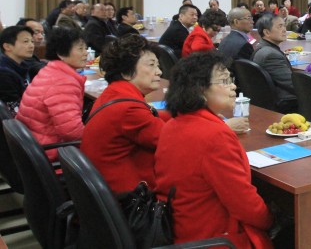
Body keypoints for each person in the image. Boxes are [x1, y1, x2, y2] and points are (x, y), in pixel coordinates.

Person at [155, 52, 273, 248]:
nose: (233, 86)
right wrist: (271, 219)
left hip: (182, 230)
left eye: (231, 79)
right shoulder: (214, 135)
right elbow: (244, 204)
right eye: (224, 81)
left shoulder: (172, 125)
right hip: (215, 237)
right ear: (201, 89)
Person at [81, 35, 169, 193]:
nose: (159, 72)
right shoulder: (129, 109)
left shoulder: (113, 94)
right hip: (132, 197)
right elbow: (172, 142)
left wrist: (179, 113)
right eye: (151, 65)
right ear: (126, 72)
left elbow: (151, 117)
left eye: (158, 65)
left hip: (106, 189)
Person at [16, 28, 88, 160]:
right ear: (61, 53)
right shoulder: (62, 83)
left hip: (35, 143)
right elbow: (72, 132)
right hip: (51, 152)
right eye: (80, 49)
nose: (86, 53)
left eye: (85, 48)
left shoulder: (50, 71)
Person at [253, 14, 298, 112]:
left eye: (284, 26)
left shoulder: (261, 48)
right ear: (267, 32)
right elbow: (293, 84)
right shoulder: (271, 55)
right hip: (286, 103)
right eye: (280, 26)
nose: (284, 30)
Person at [0, 26, 39, 115]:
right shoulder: (4, 74)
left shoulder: (23, 66)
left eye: (32, 41)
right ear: (7, 46)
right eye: (26, 41)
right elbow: (13, 112)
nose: (31, 45)